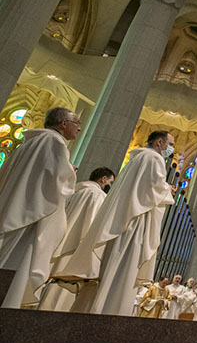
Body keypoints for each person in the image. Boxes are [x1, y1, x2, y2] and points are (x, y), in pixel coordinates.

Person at [57, 131, 175, 316]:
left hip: (123, 218)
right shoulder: (153, 158)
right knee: (123, 270)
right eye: (170, 144)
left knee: (112, 267)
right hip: (135, 220)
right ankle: (111, 313)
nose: (171, 149)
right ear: (160, 142)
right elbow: (152, 189)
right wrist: (168, 190)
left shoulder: (137, 158)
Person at [0, 107, 79, 308]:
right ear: (63, 123)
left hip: (18, 208)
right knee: (20, 265)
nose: (78, 128)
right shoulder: (54, 142)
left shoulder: (31, 142)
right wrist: (69, 171)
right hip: (33, 216)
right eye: (76, 123)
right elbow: (58, 183)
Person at [38, 166, 115, 311]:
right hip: (76, 248)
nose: (110, 186)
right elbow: (93, 227)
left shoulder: (76, 191)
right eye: (110, 182)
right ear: (103, 179)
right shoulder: (97, 195)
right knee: (58, 299)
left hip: (59, 242)